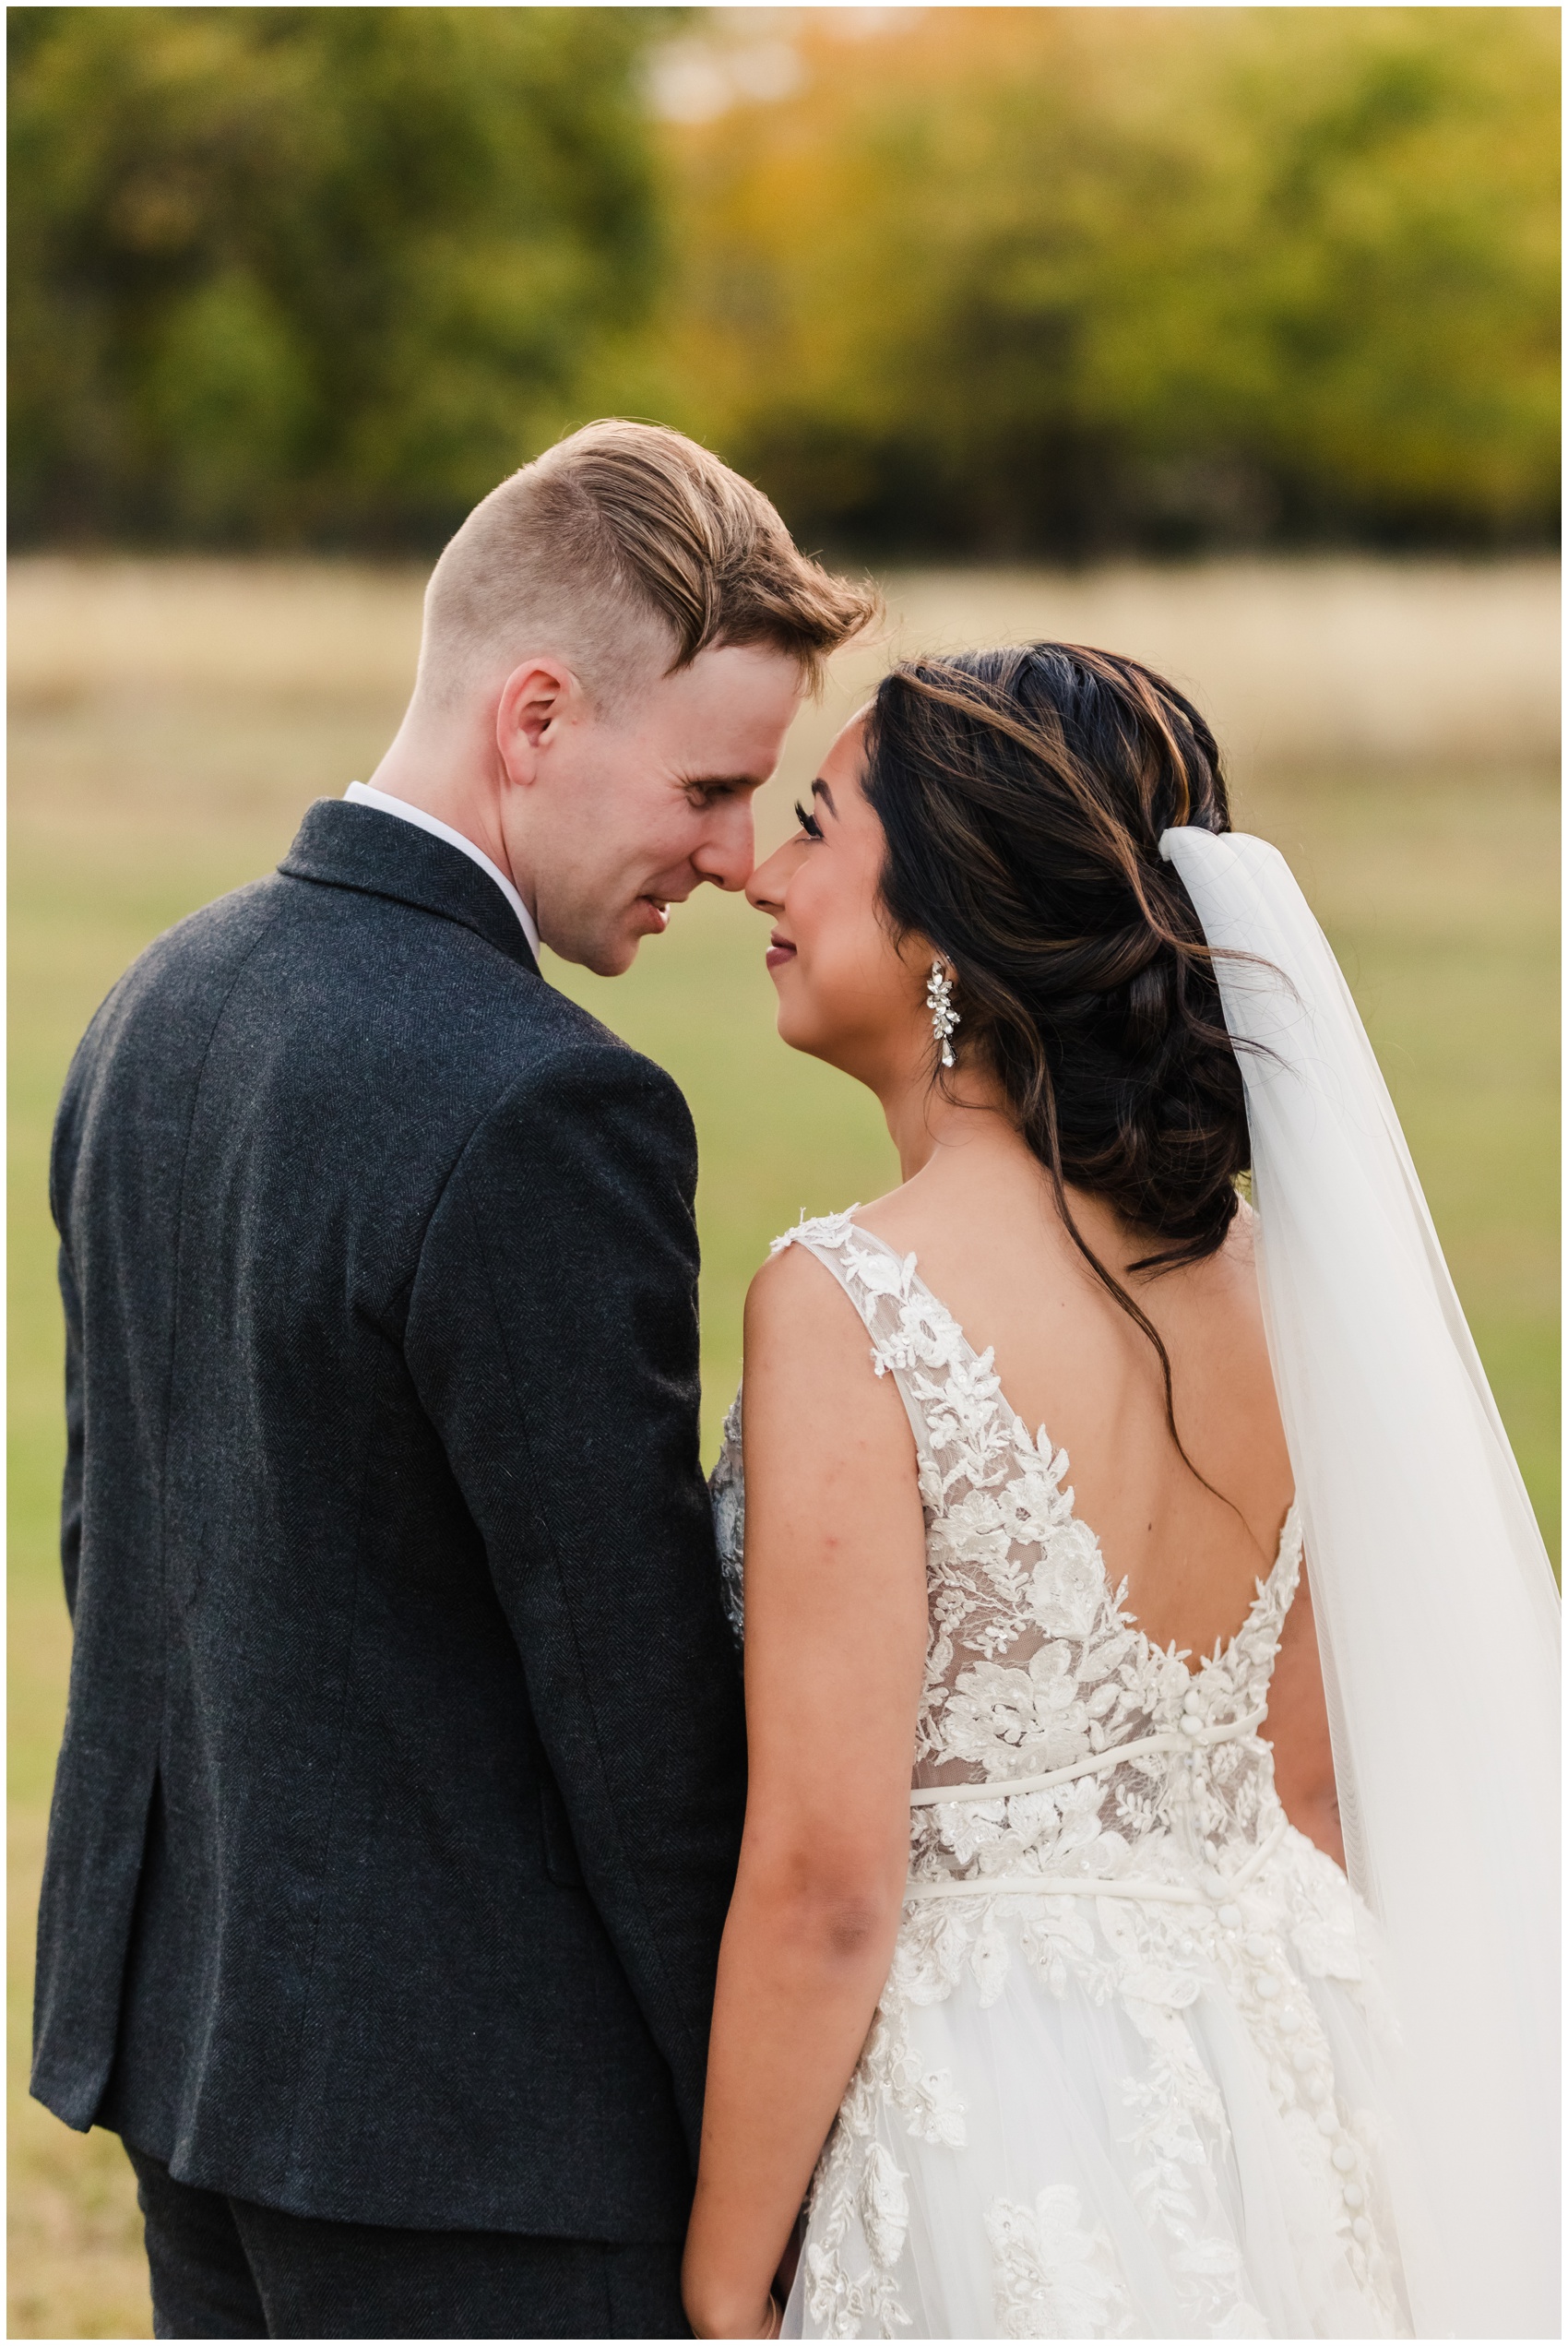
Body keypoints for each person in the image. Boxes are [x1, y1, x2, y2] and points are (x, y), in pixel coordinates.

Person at [32, 421, 877, 2340]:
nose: (737, 855)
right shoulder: (545, 1104)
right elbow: (634, 1717)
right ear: (534, 719)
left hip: (200, 2074)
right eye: (712, 784)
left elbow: (122, 1558)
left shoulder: (155, 1000)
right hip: (495, 2152)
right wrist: (763, 2163)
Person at [688, 645, 1560, 2340]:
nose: (764, 881)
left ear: (943, 928)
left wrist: (727, 2272)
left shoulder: (853, 1300)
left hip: (995, 2120)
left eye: (815, 830)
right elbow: (1303, 1789)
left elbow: (829, 1879)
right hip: (1287, 2061)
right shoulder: (1266, 1277)